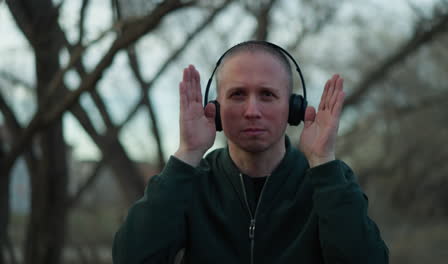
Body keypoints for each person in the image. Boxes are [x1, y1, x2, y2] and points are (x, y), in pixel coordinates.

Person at [112, 41, 389, 264]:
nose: (252, 111)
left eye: (267, 95)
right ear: (216, 109)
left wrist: (323, 162)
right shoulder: (190, 182)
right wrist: (187, 154)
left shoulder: (328, 182)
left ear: (293, 108)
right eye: (237, 95)